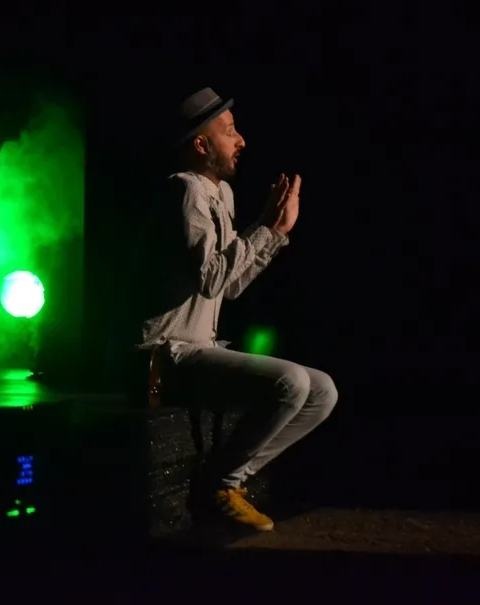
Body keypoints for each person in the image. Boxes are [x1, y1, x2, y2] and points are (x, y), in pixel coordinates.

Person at [138, 87, 338, 532]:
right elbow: (212, 278)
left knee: (322, 391)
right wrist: (266, 228)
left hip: (199, 349)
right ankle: (223, 483)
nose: (241, 140)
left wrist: (275, 233)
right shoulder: (185, 191)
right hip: (166, 355)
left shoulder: (221, 194)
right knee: (291, 382)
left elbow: (228, 288)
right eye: (229, 131)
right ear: (201, 144)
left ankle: (228, 477)